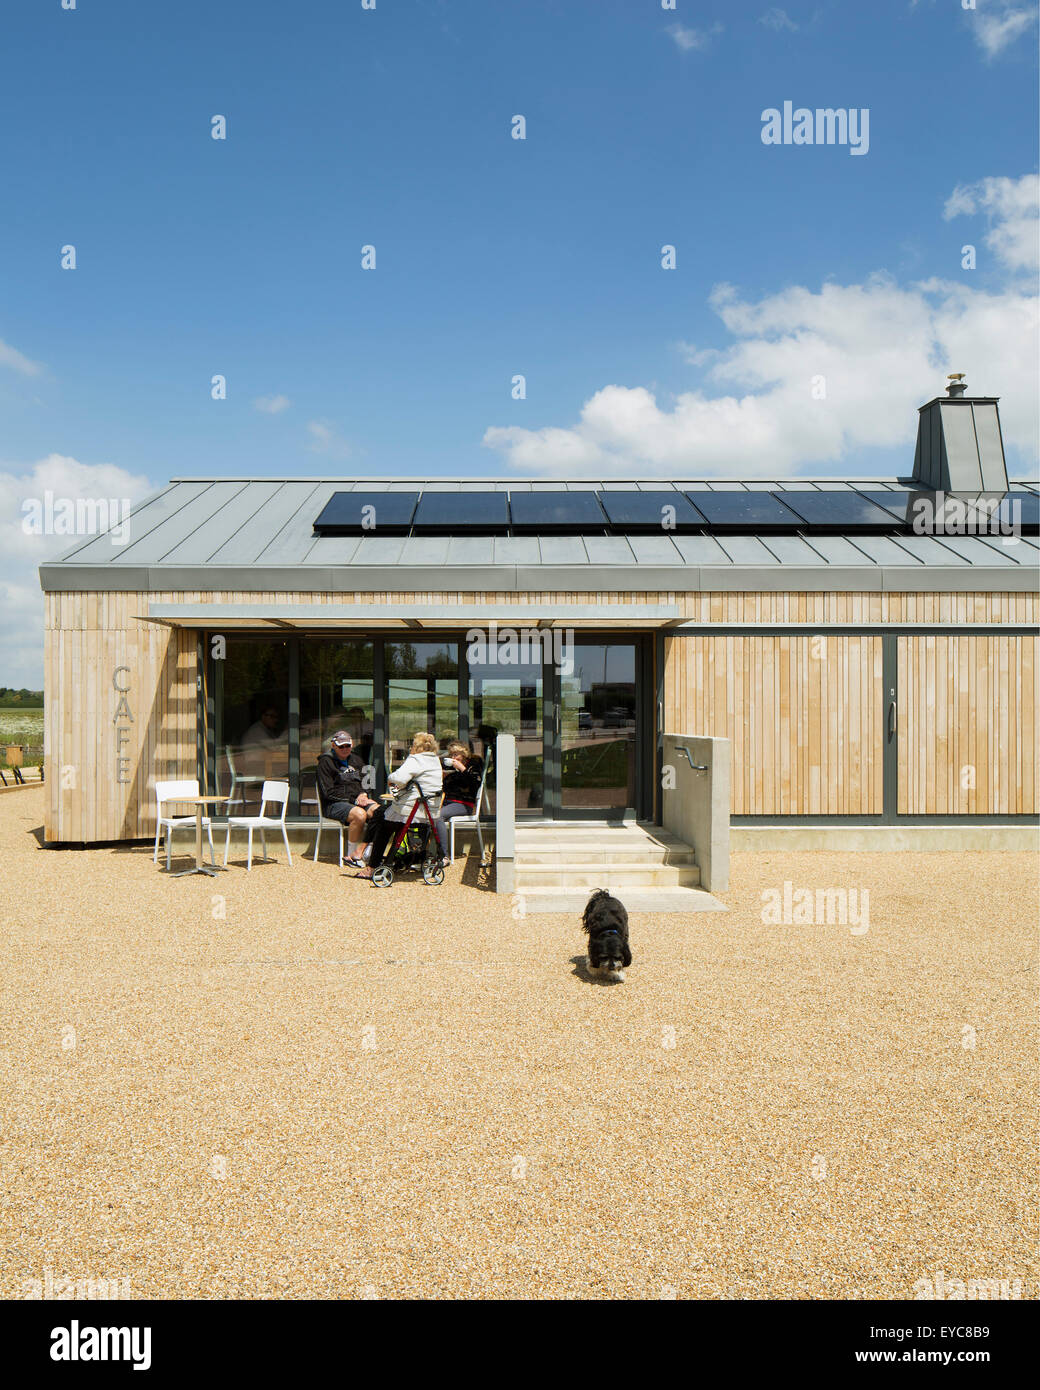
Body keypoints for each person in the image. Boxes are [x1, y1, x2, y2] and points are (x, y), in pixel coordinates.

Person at [354, 731, 443, 879]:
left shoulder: (416, 760)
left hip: (411, 811)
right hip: (428, 812)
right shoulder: (435, 761)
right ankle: (381, 857)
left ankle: (372, 864)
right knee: (383, 815)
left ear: (416, 746)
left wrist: (391, 777)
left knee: (381, 822)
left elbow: (398, 778)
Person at [315, 731, 381, 865]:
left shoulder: (357, 759)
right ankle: (351, 856)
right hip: (334, 804)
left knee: (379, 812)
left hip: (357, 800)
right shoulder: (325, 762)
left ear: (352, 745)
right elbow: (328, 792)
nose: (345, 749)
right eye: (341, 746)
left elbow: (367, 781)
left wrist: (363, 793)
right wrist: (354, 800)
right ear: (333, 745)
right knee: (360, 814)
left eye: (348, 746)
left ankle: (368, 851)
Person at [434, 741, 484, 855]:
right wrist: (444, 777)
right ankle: (421, 853)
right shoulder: (451, 768)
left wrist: (462, 769)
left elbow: (474, 785)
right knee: (425, 813)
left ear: (464, 754)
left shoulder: (472, 767)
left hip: (464, 804)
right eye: (451, 755)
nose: (453, 758)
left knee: (437, 816)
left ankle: (443, 856)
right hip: (446, 802)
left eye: (456, 755)